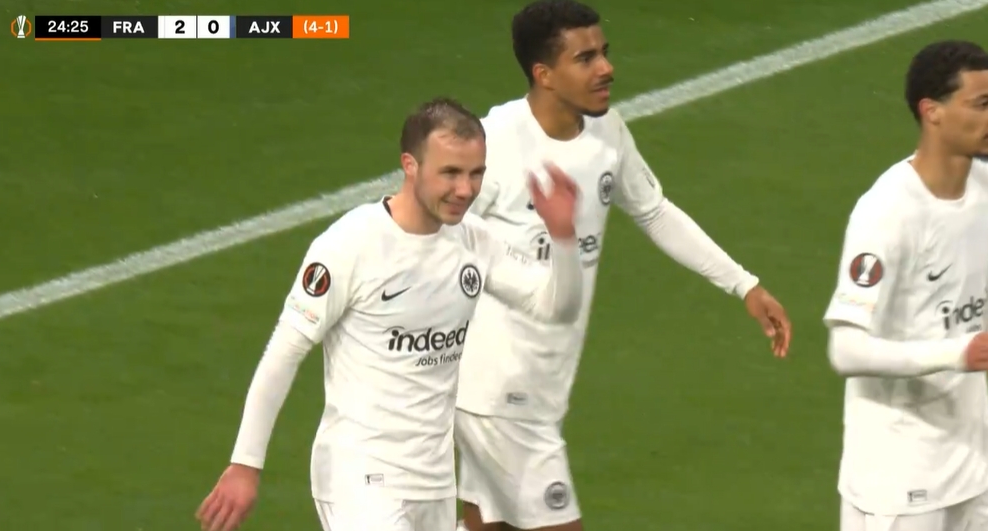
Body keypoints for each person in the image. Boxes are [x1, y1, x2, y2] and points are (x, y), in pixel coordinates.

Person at [452, 2, 793, 530]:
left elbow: (654, 211)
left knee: (487, 524)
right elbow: (435, 240)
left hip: (543, 382)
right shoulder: (492, 144)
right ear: (544, 74)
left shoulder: (607, 131)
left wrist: (743, 284)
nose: (606, 68)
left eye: (604, 53)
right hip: (499, 387)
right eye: (585, 58)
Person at [195, 97, 587, 531]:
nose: (465, 189)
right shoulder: (351, 244)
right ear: (410, 165)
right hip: (359, 475)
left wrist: (563, 237)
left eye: (476, 173)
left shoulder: (474, 241)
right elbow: (284, 352)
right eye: (450, 173)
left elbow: (557, 307)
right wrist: (245, 464)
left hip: (434, 480)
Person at [822, 40, 988, 531]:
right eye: (981, 104)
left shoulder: (983, 190)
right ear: (932, 112)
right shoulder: (887, 213)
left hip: (974, 465)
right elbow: (846, 351)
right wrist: (958, 353)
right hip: (900, 480)